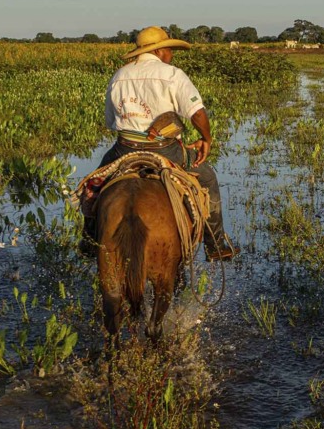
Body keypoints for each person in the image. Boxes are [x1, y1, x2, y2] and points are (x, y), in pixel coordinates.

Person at [89, 26, 237, 261]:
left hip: (123, 148)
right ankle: (215, 245)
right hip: (165, 150)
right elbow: (197, 114)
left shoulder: (119, 76)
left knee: (94, 184)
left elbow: (110, 121)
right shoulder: (172, 74)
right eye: (169, 49)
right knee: (207, 177)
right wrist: (206, 139)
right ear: (160, 51)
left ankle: (88, 240)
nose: (171, 54)